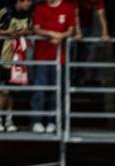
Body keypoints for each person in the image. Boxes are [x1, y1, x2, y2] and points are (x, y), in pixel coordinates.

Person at [0, 0, 34, 133]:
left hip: (18, 61)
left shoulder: (29, 14)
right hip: (3, 58)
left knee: (12, 92)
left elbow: (32, 30)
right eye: (28, 1)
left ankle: (9, 120)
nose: (30, 4)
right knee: (2, 90)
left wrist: (25, 31)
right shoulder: (4, 12)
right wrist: (8, 33)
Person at [31, 0, 76, 133]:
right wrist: (51, 33)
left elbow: (71, 29)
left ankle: (53, 122)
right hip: (41, 57)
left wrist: (61, 36)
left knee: (56, 92)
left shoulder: (68, 7)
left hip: (60, 59)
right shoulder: (40, 7)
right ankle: (37, 121)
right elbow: (36, 28)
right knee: (40, 90)